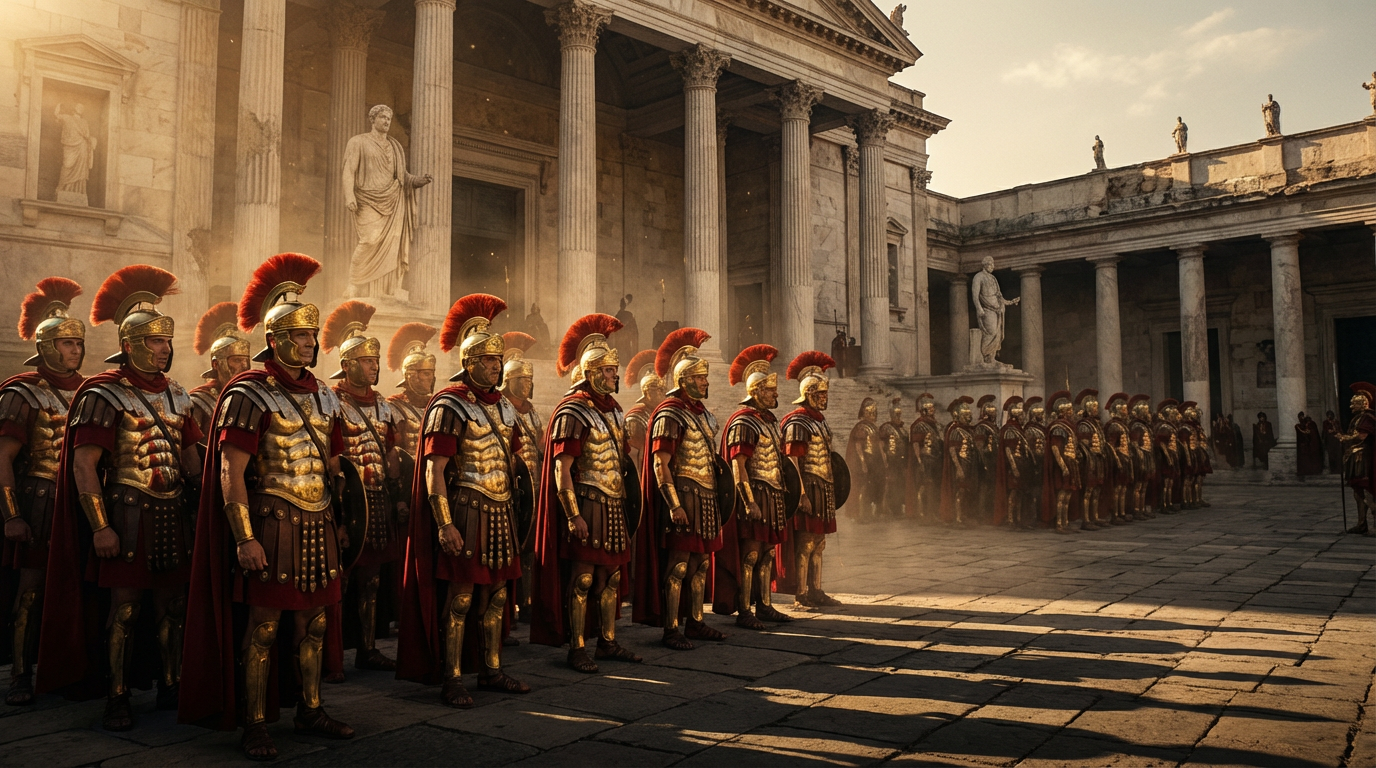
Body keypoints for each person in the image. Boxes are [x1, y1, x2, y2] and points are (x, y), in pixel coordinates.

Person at [179, 253, 354, 760]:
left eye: (311, 335)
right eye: (300, 336)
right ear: (275, 339)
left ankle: (311, 707)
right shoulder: (248, 392)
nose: (309, 342)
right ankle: (255, 721)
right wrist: (244, 537)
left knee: (315, 622)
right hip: (271, 523)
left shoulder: (324, 396)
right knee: (263, 626)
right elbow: (230, 470)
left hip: (318, 521)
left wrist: (343, 523)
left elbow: (335, 469)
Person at [37, 265, 201, 732]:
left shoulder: (179, 396)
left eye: (166, 342)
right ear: (129, 345)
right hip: (126, 515)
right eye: (154, 341)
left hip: (172, 513)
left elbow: (190, 462)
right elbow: (83, 466)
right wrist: (100, 527)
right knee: (124, 610)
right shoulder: (102, 393)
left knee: (171, 606)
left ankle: (170, 682)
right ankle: (117, 694)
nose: (163, 349)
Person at [397, 293, 531, 706]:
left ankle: (490, 669)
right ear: (469, 363)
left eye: (497, 360)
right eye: (488, 361)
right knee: (460, 598)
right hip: (466, 511)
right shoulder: (449, 404)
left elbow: (513, 463)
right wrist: (444, 524)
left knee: (497, 596)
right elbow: (433, 470)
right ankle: (452, 676)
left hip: (501, 511)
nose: (495, 366)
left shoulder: (506, 408)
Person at [530, 313, 642, 670]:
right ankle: (577, 647)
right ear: (590, 373)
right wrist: (572, 514)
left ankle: (607, 641)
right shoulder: (572, 411)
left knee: (612, 578)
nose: (613, 375)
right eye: (607, 371)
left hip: (613, 504)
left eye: (614, 370)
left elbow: (622, 462)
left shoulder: (615, 412)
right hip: (587, 503)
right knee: (582, 579)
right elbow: (561, 468)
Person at [1, 278, 86, 706]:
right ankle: (20, 672)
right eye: (66, 343)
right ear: (47, 347)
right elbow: (2, 458)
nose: (74, 350)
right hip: (37, 498)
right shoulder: (22, 392)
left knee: (77, 588)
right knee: (30, 590)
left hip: (80, 500)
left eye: (77, 343)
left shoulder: (93, 390)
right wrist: (12, 514)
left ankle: (69, 668)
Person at [323, 300, 408, 675]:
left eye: (375, 361)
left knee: (371, 581)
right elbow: (329, 457)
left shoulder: (385, 407)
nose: (374, 366)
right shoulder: (330, 401)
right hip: (343, 502)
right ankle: (333, 654)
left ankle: (369, 648)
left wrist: (396, 492)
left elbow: (391, 453)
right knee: (338, 581)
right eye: (367, 361)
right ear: (347, 364)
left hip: (376, 500)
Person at [631, 328, 728, 648]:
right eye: (700, 378)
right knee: (679, 565)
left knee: (701, 564)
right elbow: (660, 464)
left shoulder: (703, 415)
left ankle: (696, 621)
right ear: (684, 379)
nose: (706, 383)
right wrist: (674, 505)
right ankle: (672, 627)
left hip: (706, 496)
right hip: (682, 496)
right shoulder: (670, 413)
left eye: (705, 377)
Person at [713, 344, 793, 630]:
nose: (776, 394)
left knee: (768, 553)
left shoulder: (769, 421)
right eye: (771, 390)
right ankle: (745, 608)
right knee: (750, 554)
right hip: (754, 494)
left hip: (772, 495)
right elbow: (738, 466)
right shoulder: (743, 421)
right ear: (757, 391)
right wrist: (749, 502)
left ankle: (765, 605)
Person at [778, 352, 842, 608]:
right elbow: (793, 460)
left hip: (823, 485)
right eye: (821, 394)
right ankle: (802, 591)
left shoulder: (821, 422)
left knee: (820, 541)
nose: (825, 399)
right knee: (805, 541)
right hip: (808, 486)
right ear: (809, 394)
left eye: (826, 394)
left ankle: (816, 589)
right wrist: (800, 493)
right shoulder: (797, 422)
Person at [500, 331, 542, 629]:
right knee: (508, 548)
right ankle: (505, 609)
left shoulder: (534, 412)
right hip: (509, 489)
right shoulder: (501, 408)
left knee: (528, 548)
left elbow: (538, 448)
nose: (526, 385)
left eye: (529, 380)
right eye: (520, 380)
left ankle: (527, 603)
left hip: (532, 488)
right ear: (508, 380)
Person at [189, 302, 251, 437]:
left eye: (245, 360)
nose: (244, 366)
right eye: (236, 360)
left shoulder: (252, 395)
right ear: (216, 364)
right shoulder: (199, 401)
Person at [386, 322, 439, 460]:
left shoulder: (437, 405)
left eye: (431, 373)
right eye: (426, 373)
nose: (430, 378)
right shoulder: (394, 407)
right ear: (411, 375)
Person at [1337, 382, 1375, 535]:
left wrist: (1343, 438)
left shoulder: (1368, 418)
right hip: (1355, 456)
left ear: (1362, 403)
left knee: (1367, 490)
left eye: (1354, 402)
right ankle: (1361, 523)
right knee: (1358, 492)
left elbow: (1361, 436)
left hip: (1364, 458)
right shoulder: (1358, 418)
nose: (1351, 404)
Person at [1042, 391, 1081, 534]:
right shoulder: (1058, 427)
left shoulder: (1068, 425)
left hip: (1070, 463)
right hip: (1062, 465)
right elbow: (1055, 448)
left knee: (1068, 493)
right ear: (1063, 411)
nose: (1072, 412)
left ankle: (1065, 522)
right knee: (1062, 494)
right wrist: (1063, 466)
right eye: (1069, 410)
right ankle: (1059, 523)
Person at [992, 396, 1032, 527]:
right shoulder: (1009, 429)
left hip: (1022, 464)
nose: (1023, 417)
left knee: (1019, 492)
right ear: (1016, 415)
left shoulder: (1019, 428)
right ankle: (1010, 518)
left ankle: (1018, 518)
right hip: (1014, 465)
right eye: (1021, 415)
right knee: (1014, 492)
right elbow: (1008, 451)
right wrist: (1014, 467)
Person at [622, 350, 663, 471]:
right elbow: (633, 456)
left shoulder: (657, 413)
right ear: (646, 392)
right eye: (657, 389)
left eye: (662, 389)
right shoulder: (635, 419)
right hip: (642, 472)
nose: (662, 393)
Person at [939, 396, 977, 526]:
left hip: (969, 464)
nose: (968, 417)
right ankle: (958, 516)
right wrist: (959, 468)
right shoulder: (955, 430)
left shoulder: (967, 430)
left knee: (966, 490)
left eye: (969, 414)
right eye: (965, 415)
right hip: (960, 464)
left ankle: (964, 514)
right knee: (960, 491)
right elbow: (952, 451)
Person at [1075, 389, 1109, 530]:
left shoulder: (1096, 424)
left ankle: (1095, 516)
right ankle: (1086, 519)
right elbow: (1083, 445)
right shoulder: (1084, 424)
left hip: (1098, 460)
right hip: (1090, 462)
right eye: (1093, 407)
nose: (1096, 409)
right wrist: (1092, 455)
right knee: (1088, 491)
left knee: (1097, 490)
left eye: (1096, 407)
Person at [845, 397, 882, 520]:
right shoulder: (862, 427)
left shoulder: (873, 427)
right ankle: (860, 514)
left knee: (872, 487)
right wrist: (862, 462)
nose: (874, 415)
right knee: (863, 487)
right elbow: (858, 445)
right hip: (865, 461)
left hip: (873, 461)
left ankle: (869, 512)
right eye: (872, 412)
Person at [907, 393, 942, 523]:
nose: (933, 411)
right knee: (924, 486)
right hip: (925, 459)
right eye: (931, 409)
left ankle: (932, 511)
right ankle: (922, 513)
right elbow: (916, 444)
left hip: (935, 458)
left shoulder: (934, 424)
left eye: (933, 409)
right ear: (925, 410)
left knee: (933, 486)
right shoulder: (919, 425)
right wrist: (919, 461)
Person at [1102, 392, 1135, 525]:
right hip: (1118, 460)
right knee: (1117, 489)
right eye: (1124, 409)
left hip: (1126, 458)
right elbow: (1110, 445)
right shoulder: (1114, 425)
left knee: (1123, 488)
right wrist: (1117, 459)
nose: (1126, 412)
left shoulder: (1123, 425)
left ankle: (1122, 512)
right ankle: (1115, 514)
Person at [1127, 395, 1157, 520]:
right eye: (1144, 410)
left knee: (1145, 485)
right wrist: (1140, 458)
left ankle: (1143, 508)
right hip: (1140, 458)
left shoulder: (1145, 425)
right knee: (1138, 485)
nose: (1147, 412)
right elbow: (1134, 443)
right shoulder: (1136, 425)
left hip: (1147, 456)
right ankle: (1136, 509)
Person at [876, 398, 907, 517]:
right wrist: (884, 460)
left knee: (900, 484)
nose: (898, 416)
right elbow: (881, 444)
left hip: (901, 461)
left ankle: (897, 508)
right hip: (891, 460)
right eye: (896, 414)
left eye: (899, 414)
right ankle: (886, 509)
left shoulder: (903, 429)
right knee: (890, 484)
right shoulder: (886, 427)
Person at [972, 395, 999, 524]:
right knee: (984, 488)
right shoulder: (981, 427)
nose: (994, 415)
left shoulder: (993, 427)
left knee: (991, 488)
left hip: (993, 461)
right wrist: (985, 463)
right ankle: (981, 513)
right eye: (992, 412)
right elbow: (979, 447)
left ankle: (989, 512)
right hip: (984, 462)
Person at [1022, 396, 1047, 527]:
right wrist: (1034, 463)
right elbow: (1028, 448)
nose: (1042, 416)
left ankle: (1040, 516)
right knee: (1033, 492)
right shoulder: (1029, 429)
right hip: (1033, 464)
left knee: (1040, 491)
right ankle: (1031, 517)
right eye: (1039, 414)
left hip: (1042, 462)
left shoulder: (1042, 428)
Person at [1154, 400, 1182, 513]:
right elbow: (1161, 443)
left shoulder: (1171, 427)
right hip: (1166, 459)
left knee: (1171, 482)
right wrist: (1168, 457)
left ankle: (1169, 503)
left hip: (1172, 456)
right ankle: (1164, 504)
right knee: (1166, 483)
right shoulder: (1164, 427)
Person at [1183, 403, 1212, 507]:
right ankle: (1188, 500)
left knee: (1199, 478)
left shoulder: (1197, 427)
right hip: (1192, 454)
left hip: (1199, 453)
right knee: (1189, 479)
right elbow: (1185, 443)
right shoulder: (1186, 427)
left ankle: (1198, 498)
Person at [1296, 411, 1322, 476]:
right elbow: (1303, 433)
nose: (1301, 418)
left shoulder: (1311, 425)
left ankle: (1313, 470)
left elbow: (1311, 434)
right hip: (1304, 445)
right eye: (1300, 417)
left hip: (1311, 445)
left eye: (1302, 416)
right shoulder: (1299, 426)